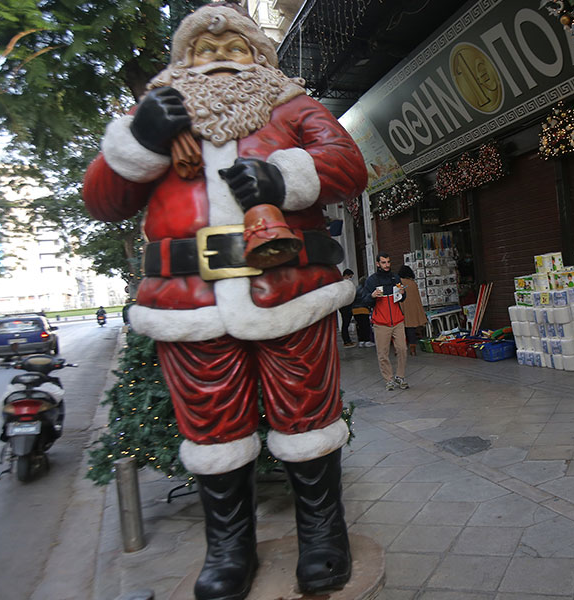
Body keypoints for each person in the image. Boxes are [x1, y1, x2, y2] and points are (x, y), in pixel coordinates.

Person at [82, 4, 367, 597]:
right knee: (213, 428)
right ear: (182, 61)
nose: (219, 59)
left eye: (235, 49)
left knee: (307, 415)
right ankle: (229, 548)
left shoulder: (290, 106)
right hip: (187, 301)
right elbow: (103, 201)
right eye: (205, 51)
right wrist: (140, 140)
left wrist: (282, 177)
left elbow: (348, 163)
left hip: (290, 291)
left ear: (260, 59)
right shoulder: (154, 117)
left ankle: (323, 535)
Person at [358, 253, 408, 390]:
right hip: (380, 323)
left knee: (402, 349)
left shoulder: (395, 277)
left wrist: (403, 294)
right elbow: (364, 300)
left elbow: (402, 298)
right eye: (384, 262)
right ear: (378, 264)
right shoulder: (371, 280)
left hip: (397, 321)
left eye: (388, 262)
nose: (387, 265)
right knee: (382, 353)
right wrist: (372, 296)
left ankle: (400, 376)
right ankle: (389, 379)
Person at [397, 265, 427, 356]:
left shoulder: (399, 283)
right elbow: (417, 298)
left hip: (402, 308)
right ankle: (413, 349)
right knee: (411, 329)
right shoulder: (413, 283)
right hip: (413, 309)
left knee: (400, 330)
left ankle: (399, 349)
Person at [352, 275, 373, 347]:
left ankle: (361, 341)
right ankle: (367, 340)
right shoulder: (365, 289)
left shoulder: (356, 289)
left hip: (355, 310)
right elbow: (366, 299)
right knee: (365, 325)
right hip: (363, 309)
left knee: (359, 326)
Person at [340, 269, 356, 347]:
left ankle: (348, 340)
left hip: (346, 305)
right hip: (345, 306)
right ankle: (346, 341)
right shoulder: (343, 283)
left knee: (346, 323)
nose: (351, 278)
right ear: (347, 275)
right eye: (350, 276)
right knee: (345, 324)